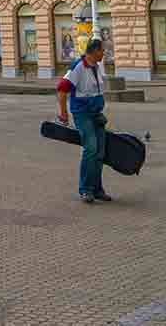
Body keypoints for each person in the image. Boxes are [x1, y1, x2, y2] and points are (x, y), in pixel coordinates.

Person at [56, 37, 110, 205]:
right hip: (83, 114)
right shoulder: (78, 67)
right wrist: (64, 113)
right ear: (94, 51)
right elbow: (62, 89)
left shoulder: (97, 66)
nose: (104, 53)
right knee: (91, 148)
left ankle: (97, 189)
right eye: (102, 50)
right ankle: (86, 189)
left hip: (96, 114)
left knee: (100, 153)